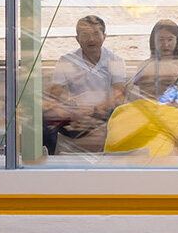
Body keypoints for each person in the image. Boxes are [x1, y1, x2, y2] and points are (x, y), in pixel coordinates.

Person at [43, 15, 127, 153]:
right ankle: (46, 158)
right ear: (77, 38)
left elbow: (119, 95)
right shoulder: (66, 60)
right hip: (74, 113)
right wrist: (71, 111)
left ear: (104, 36)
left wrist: (94, 110)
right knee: (44, 119)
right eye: (85, 34)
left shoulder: (115, 60)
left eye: (96, 34)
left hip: (104, 113)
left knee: (119, 115)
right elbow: (55, 95)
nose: (91, 39)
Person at [127, 19, 178, 102]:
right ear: (153, 41)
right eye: (161, 40)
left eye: (170, 39)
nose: (165, 44)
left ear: (177, 40)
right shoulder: (145, 65)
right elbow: (138, 95)